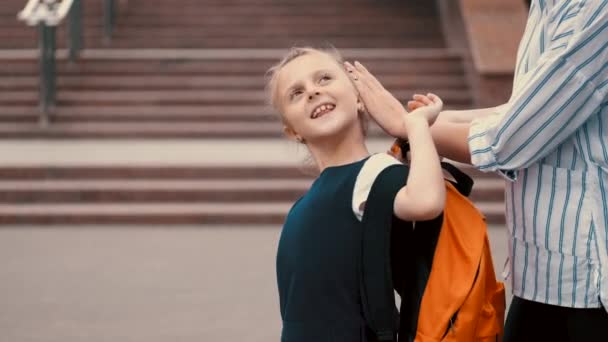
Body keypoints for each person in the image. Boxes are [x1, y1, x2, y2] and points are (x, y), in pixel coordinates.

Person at [346, 1, 608, 340]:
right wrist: (423, 123)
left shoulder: (595, 9)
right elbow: (519, 109)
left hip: (590, 277)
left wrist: (409, 126)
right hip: (545, 272)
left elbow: (513, 137)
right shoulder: (550, 5)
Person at [266, 47, 445, 341]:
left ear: (360, 99)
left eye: (324, 79)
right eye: (296, 93)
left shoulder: (373, 172)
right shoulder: (305, 203)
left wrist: (414, 125)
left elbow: (426, 202)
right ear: (292, 131)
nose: (312, 92)